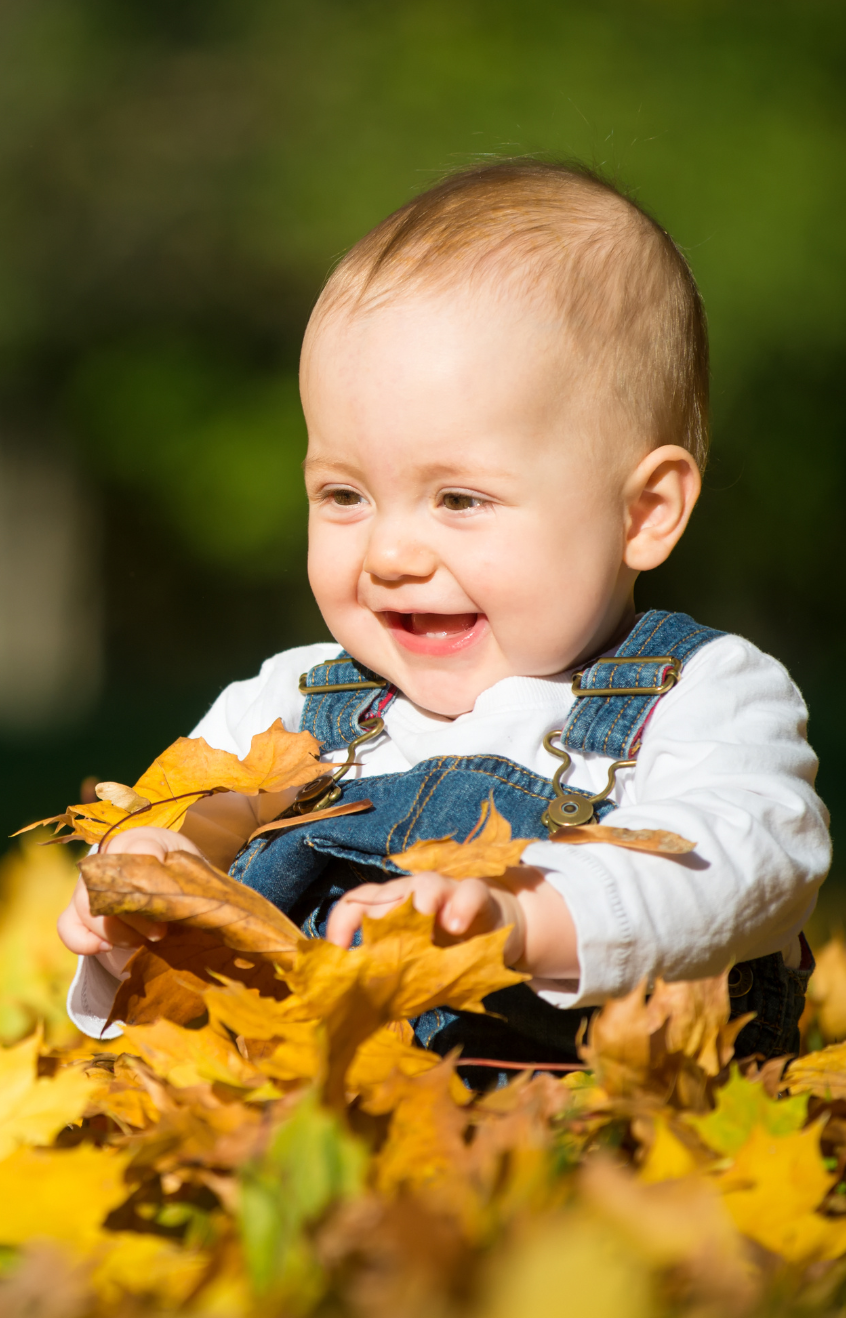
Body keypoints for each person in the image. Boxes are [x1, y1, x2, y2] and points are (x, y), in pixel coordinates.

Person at [57, 160, 829, 1064]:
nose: (389, 554)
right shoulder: (299, 699)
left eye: (459, 499)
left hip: (597, 1143)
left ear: (643, 512)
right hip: (312, 1128)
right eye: (345, 494)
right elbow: (202, 807)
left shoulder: (704, 693)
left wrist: (534, 916)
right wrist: (158, 870)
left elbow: (750, 864)